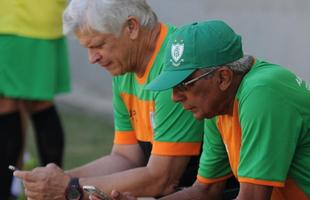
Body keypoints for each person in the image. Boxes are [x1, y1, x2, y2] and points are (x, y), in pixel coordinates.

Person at [14, 0, 205, 199]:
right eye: (87, 48)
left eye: (98, 45)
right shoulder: (124, 67)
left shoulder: (173, 68)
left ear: (131, 28)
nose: (92, 58)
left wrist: (70, 188)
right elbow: (126, 157)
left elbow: (162, 179)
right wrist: (59, 180)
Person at [140, 20, 310, 199]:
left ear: (223, 77)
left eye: (183, 85)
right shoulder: (219, 107)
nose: (174, 97)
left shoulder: (262, 93)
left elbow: (251, 198)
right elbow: (205, 191)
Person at [0, 0, 70, 199]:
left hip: (15, 19)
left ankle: (6, 193)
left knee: (8, 104)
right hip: (43, 17)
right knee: (40, 105)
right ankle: (57, 189)